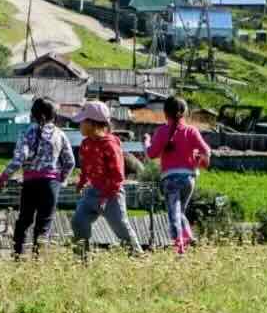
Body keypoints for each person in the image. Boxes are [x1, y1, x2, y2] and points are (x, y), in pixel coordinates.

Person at [0, 97, 75, 260]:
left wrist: (3, 178)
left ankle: (17, 257)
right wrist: (62, 179)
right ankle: (38, 259)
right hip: (51, 185)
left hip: (30, 184)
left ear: (33, 115)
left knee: (24, 221)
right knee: (44, 224)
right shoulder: (60, 135)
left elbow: (19, 159)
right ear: (54, 115)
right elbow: (70, 161)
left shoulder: (26, 133)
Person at [71, 101, 143, 260]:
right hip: (92, 191)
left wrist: (105, 196)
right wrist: (82, 182)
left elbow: (118, 176)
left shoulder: (110, 145)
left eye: (82, 122)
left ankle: (138, 257)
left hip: (111, 194)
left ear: (93, 124)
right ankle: (81, 259)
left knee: (121, 228)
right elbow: (86, 167)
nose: (79, 125)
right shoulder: (85, 144)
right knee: (78, 221)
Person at [145, 95, 210, 255]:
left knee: (174, 214)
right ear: (185, 112)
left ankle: (180, 244)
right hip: (189, 179)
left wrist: (146, 142)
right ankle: (187, 237)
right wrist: (200, 161)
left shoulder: (162, 131)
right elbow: (206, 151)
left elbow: (152, 154)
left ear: (165, 113)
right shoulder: (191, 130)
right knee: (180, 212)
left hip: (170, 179)